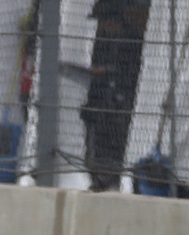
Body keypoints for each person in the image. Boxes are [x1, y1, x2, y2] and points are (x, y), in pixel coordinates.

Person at [81, 0, 150, 191]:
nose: (102, 26)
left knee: (115, 141)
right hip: (102, 98)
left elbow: (132, 70)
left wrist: (109, 70)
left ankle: (113, 177)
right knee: (97, 137)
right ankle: (99, 175)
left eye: (104, 21)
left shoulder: (131, 39)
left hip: (122, 100)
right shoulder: (103, 39)